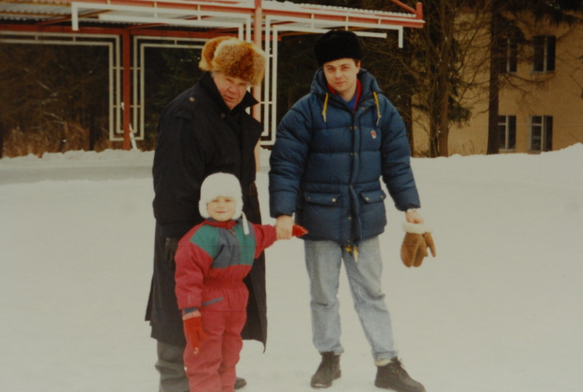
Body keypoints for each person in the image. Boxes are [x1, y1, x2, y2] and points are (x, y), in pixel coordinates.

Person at [269, 30, 433, 392]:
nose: (338, 75)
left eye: (345, 67)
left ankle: (387, 362)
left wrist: (410, 205)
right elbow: (285, 164)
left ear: (359, 66)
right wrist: (283, 211)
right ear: (323, 70)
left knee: (371, 294)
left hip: (365, 218)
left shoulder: (381, 108)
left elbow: (396, 163)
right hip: (318, 219)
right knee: (323, 294)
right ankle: (329, 357)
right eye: (330, 68)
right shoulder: (306, 111)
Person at [146, 36, 267, 392]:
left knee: (220, 311)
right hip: (188, 238)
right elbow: (171, 184)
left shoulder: (231, 116)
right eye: (229, 79)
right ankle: (174, 381)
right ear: (213, 71)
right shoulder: (187, 113)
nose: (235, 89)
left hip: (227, 237)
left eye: (244, 83)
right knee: (180, 311)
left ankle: (213, 370)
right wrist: (177, 242)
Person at [175, 172, 306, 392]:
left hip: (236, 303)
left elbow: (266, 234)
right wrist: (190, 312)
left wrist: (287, 230)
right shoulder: (198, 238)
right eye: (214, 200)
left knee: (230, 355)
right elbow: (187, 278)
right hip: (209, 304)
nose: (220, 205)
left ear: (237, 204)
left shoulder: (246, 231)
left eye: (227, 200)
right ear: (204, 204)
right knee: (205, 358)